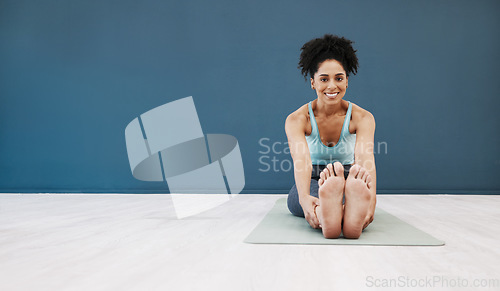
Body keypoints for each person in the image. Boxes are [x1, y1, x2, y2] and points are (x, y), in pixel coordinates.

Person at [285, 34, 376, 239]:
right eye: (324, 79)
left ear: (347, 81)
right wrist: (304, 199)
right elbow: (302, 161)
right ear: (313, 83)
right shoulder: (297, 119)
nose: (332, 86)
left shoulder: (362, 118)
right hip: (314, 177)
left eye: (339, 78)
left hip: (351, 177)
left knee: (353, 191)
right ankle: (333, 214)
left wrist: (371, 202)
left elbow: (365, 159)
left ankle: (336, 212)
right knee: (296, 200)